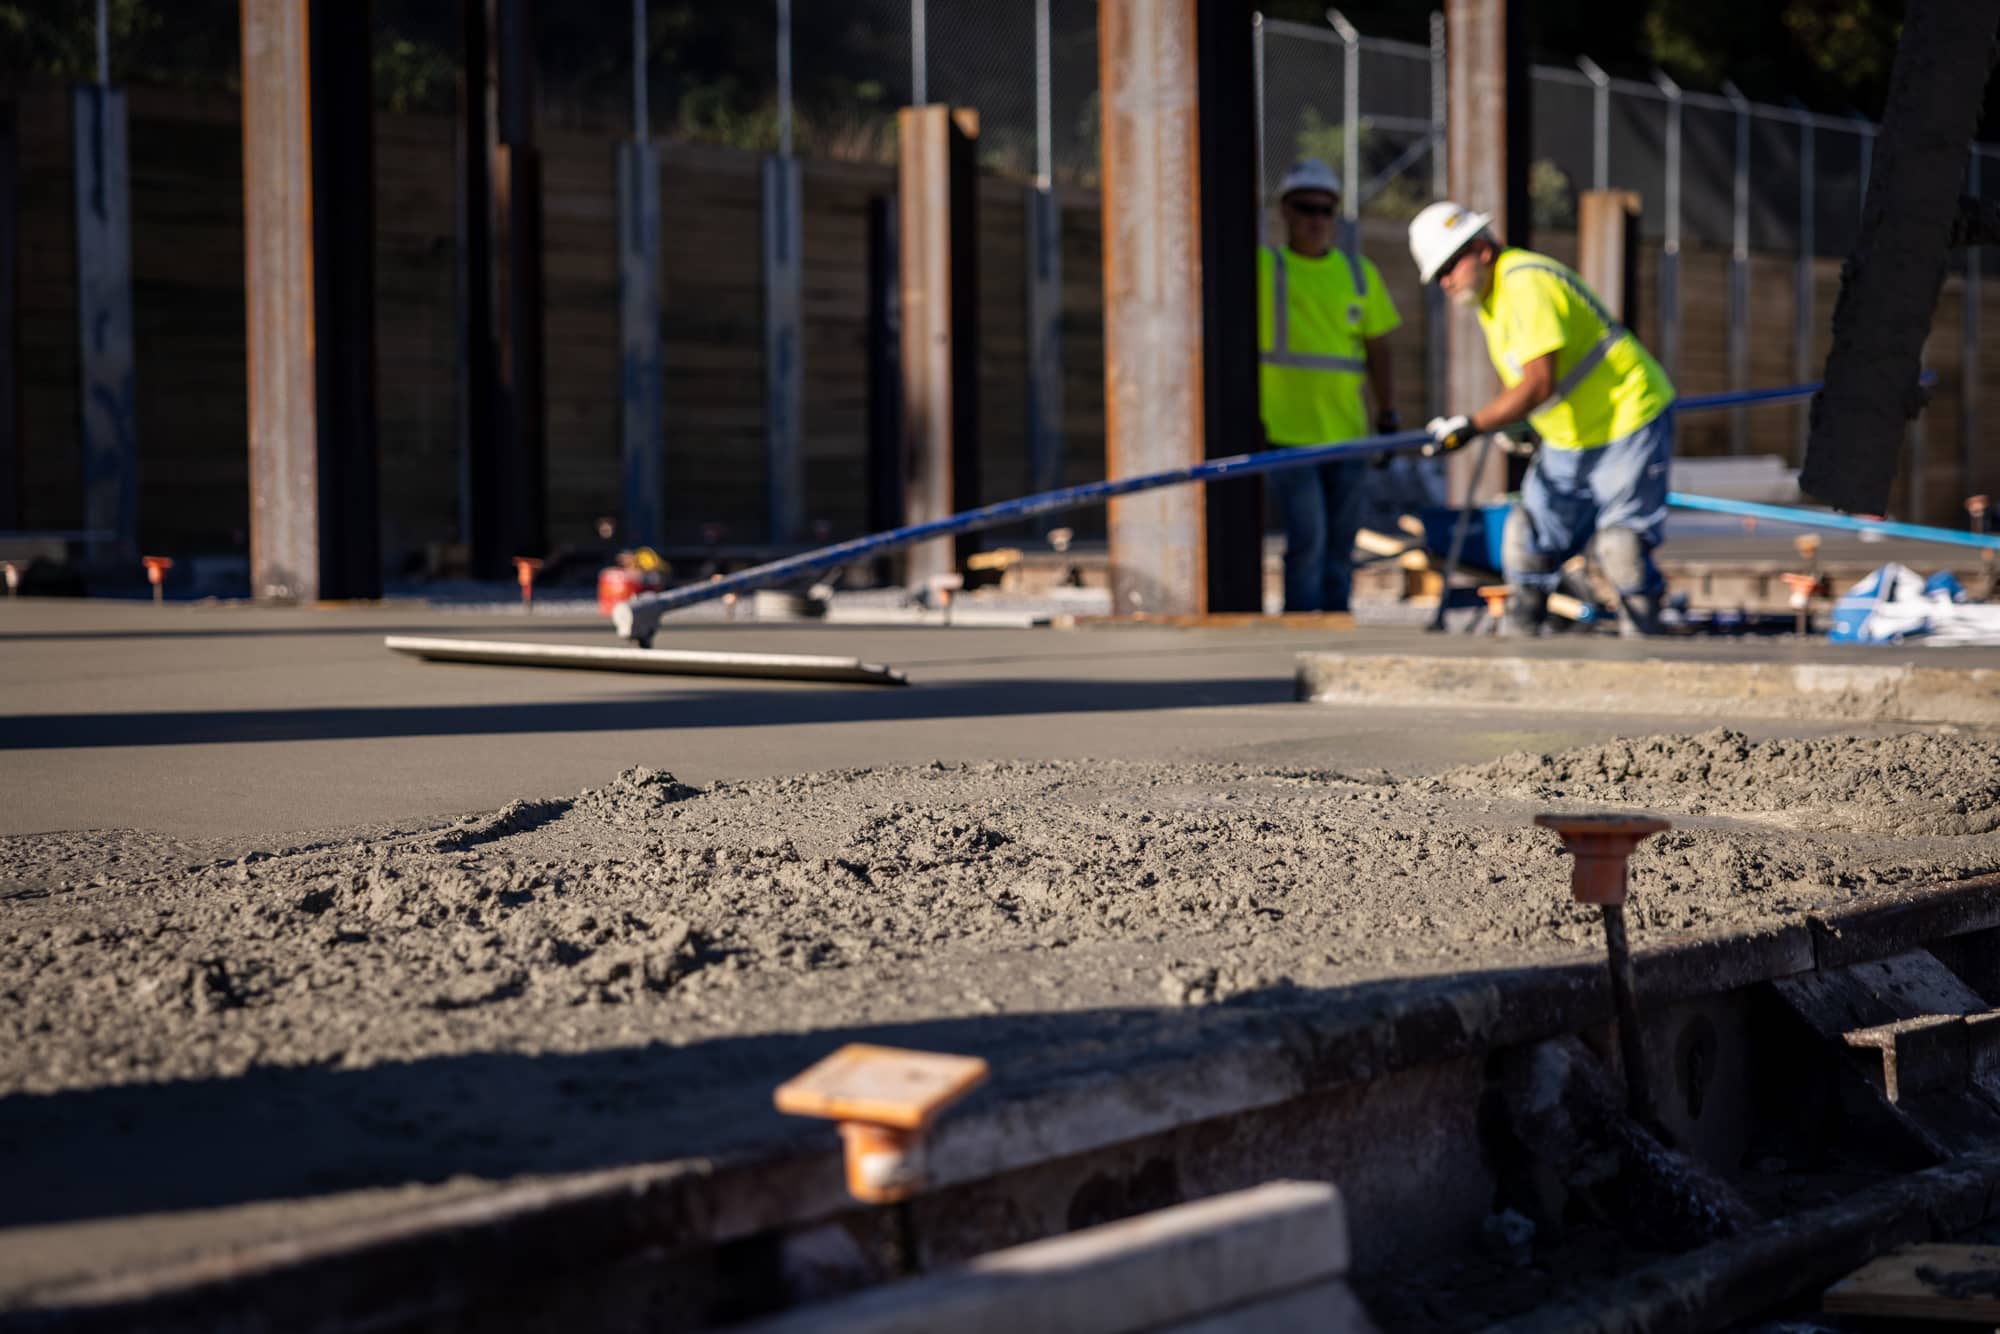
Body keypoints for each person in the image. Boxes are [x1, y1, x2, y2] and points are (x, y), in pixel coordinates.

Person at [1407, 200, 1677, 636]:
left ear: (1481, 250)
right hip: (1570, 437)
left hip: (1626, 418)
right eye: (1438, 274)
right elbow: (1539, 379)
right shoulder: (1492, 298)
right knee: (1527, 539)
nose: (1446, 281)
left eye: (1449, 266)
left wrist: (1474, 424)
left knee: (1621, 548)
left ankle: (1644, 639)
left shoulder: (1524, 283)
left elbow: (1538, 384)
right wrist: (1521, 422)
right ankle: (1523, 643)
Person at [1258, 160, 1402, 613]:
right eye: (1306, 209)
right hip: (1288, 434)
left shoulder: (1359, 274)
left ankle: (1337, 623)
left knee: (1340, 546)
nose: (1317, 220)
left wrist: (1387, 414)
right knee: (1308, 541)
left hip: (1347, 435)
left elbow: (1379, 350)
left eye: (1326, 210)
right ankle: (1301, 628)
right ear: (1285, 211)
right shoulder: (1264, 269)